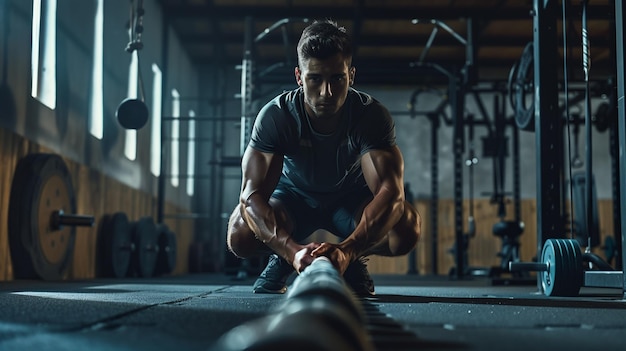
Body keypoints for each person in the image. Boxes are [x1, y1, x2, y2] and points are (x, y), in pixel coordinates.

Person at [226, 19, 421, 296]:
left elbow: (392, 193)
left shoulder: (370, 116)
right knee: (240, 233)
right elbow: (250, 196)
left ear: (351, 76)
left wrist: (348, 250)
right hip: (293, 200)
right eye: (315, 79)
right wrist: (290, 251)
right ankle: (280, 260)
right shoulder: (277, 116)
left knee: (407, 229)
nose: (326, 92)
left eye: (337, 79)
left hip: (349, 202)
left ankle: (351, 260)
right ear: (298, 77)